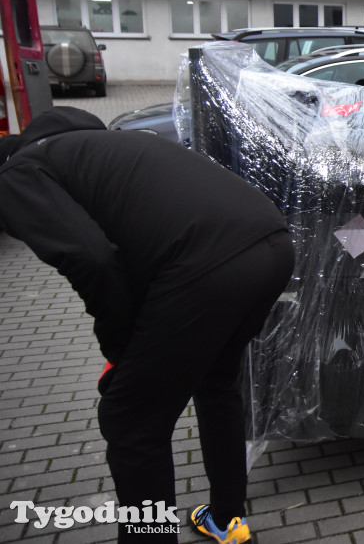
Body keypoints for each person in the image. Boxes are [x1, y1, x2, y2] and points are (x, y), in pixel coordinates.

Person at [0, 107, 294, 543]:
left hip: (209, 262)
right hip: (272, 243)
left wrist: (120, 350)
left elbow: (93, 260)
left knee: (130, 420)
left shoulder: (17, 173)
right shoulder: (109, 150)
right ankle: (226, 517)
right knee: (216, 384)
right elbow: (137, 251)